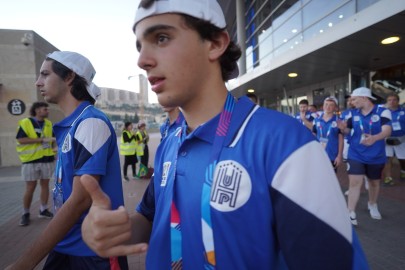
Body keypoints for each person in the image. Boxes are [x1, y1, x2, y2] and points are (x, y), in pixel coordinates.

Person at [80, 1, 368, 269]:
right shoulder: (170, 141)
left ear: (216, 43)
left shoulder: (285, 143)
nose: (142, 60)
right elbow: (149, 217)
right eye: (140, 45)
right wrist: (113, 230)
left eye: (162, 38)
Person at [7, 51, 128, 270]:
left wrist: (24, 263)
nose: (38, 82)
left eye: (45, 74)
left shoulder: (91, 123)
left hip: (92, 251)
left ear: (69, 77)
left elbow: (80, 200)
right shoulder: (73, 125)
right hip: (66, 243)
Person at [338, 87, 392, 226]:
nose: (352, 102)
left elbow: (387, 130)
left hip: (376, 155)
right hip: (356, 153)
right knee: (355, 182)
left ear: (364, 98)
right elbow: (349, 131)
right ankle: (350, 213)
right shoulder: (352, 113)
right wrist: (344, 129)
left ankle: (372, 204)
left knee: (374, 182)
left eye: (354, 99)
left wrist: (375, 138)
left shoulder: (382, 111)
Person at [15, 101, 56, 226]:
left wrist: (54, 148)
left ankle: (43, 210)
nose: (47, 111)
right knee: (30, 187)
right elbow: (21, 140)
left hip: (47, 159)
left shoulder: (49, 124)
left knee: (45, 185)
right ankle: (25, 213)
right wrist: (42, 139)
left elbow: (53, 140)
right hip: (30, 160)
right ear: (37, 110)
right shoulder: (26, 122)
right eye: (45, 109)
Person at [312, 97, 343, 171]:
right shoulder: (316, 120)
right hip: (319, 155)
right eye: (326, 104)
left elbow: (340, 140)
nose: (328, 107)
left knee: (332, 179)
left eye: (331, 105)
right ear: (323, 106)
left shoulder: (339, 121)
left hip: (332, 156)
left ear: (335, 108)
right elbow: (313, 136)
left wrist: (339, 156)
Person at [383, 93, 405, 186]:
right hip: (387, 138)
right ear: (387, 102)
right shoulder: (383, 112)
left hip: (401, 139)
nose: (392, 102)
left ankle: (403, 171)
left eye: (394, 100)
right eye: (389, 100)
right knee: (387, 158)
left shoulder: (403, 111)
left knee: (403, 159)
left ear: (398, 101)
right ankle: (388, 177)